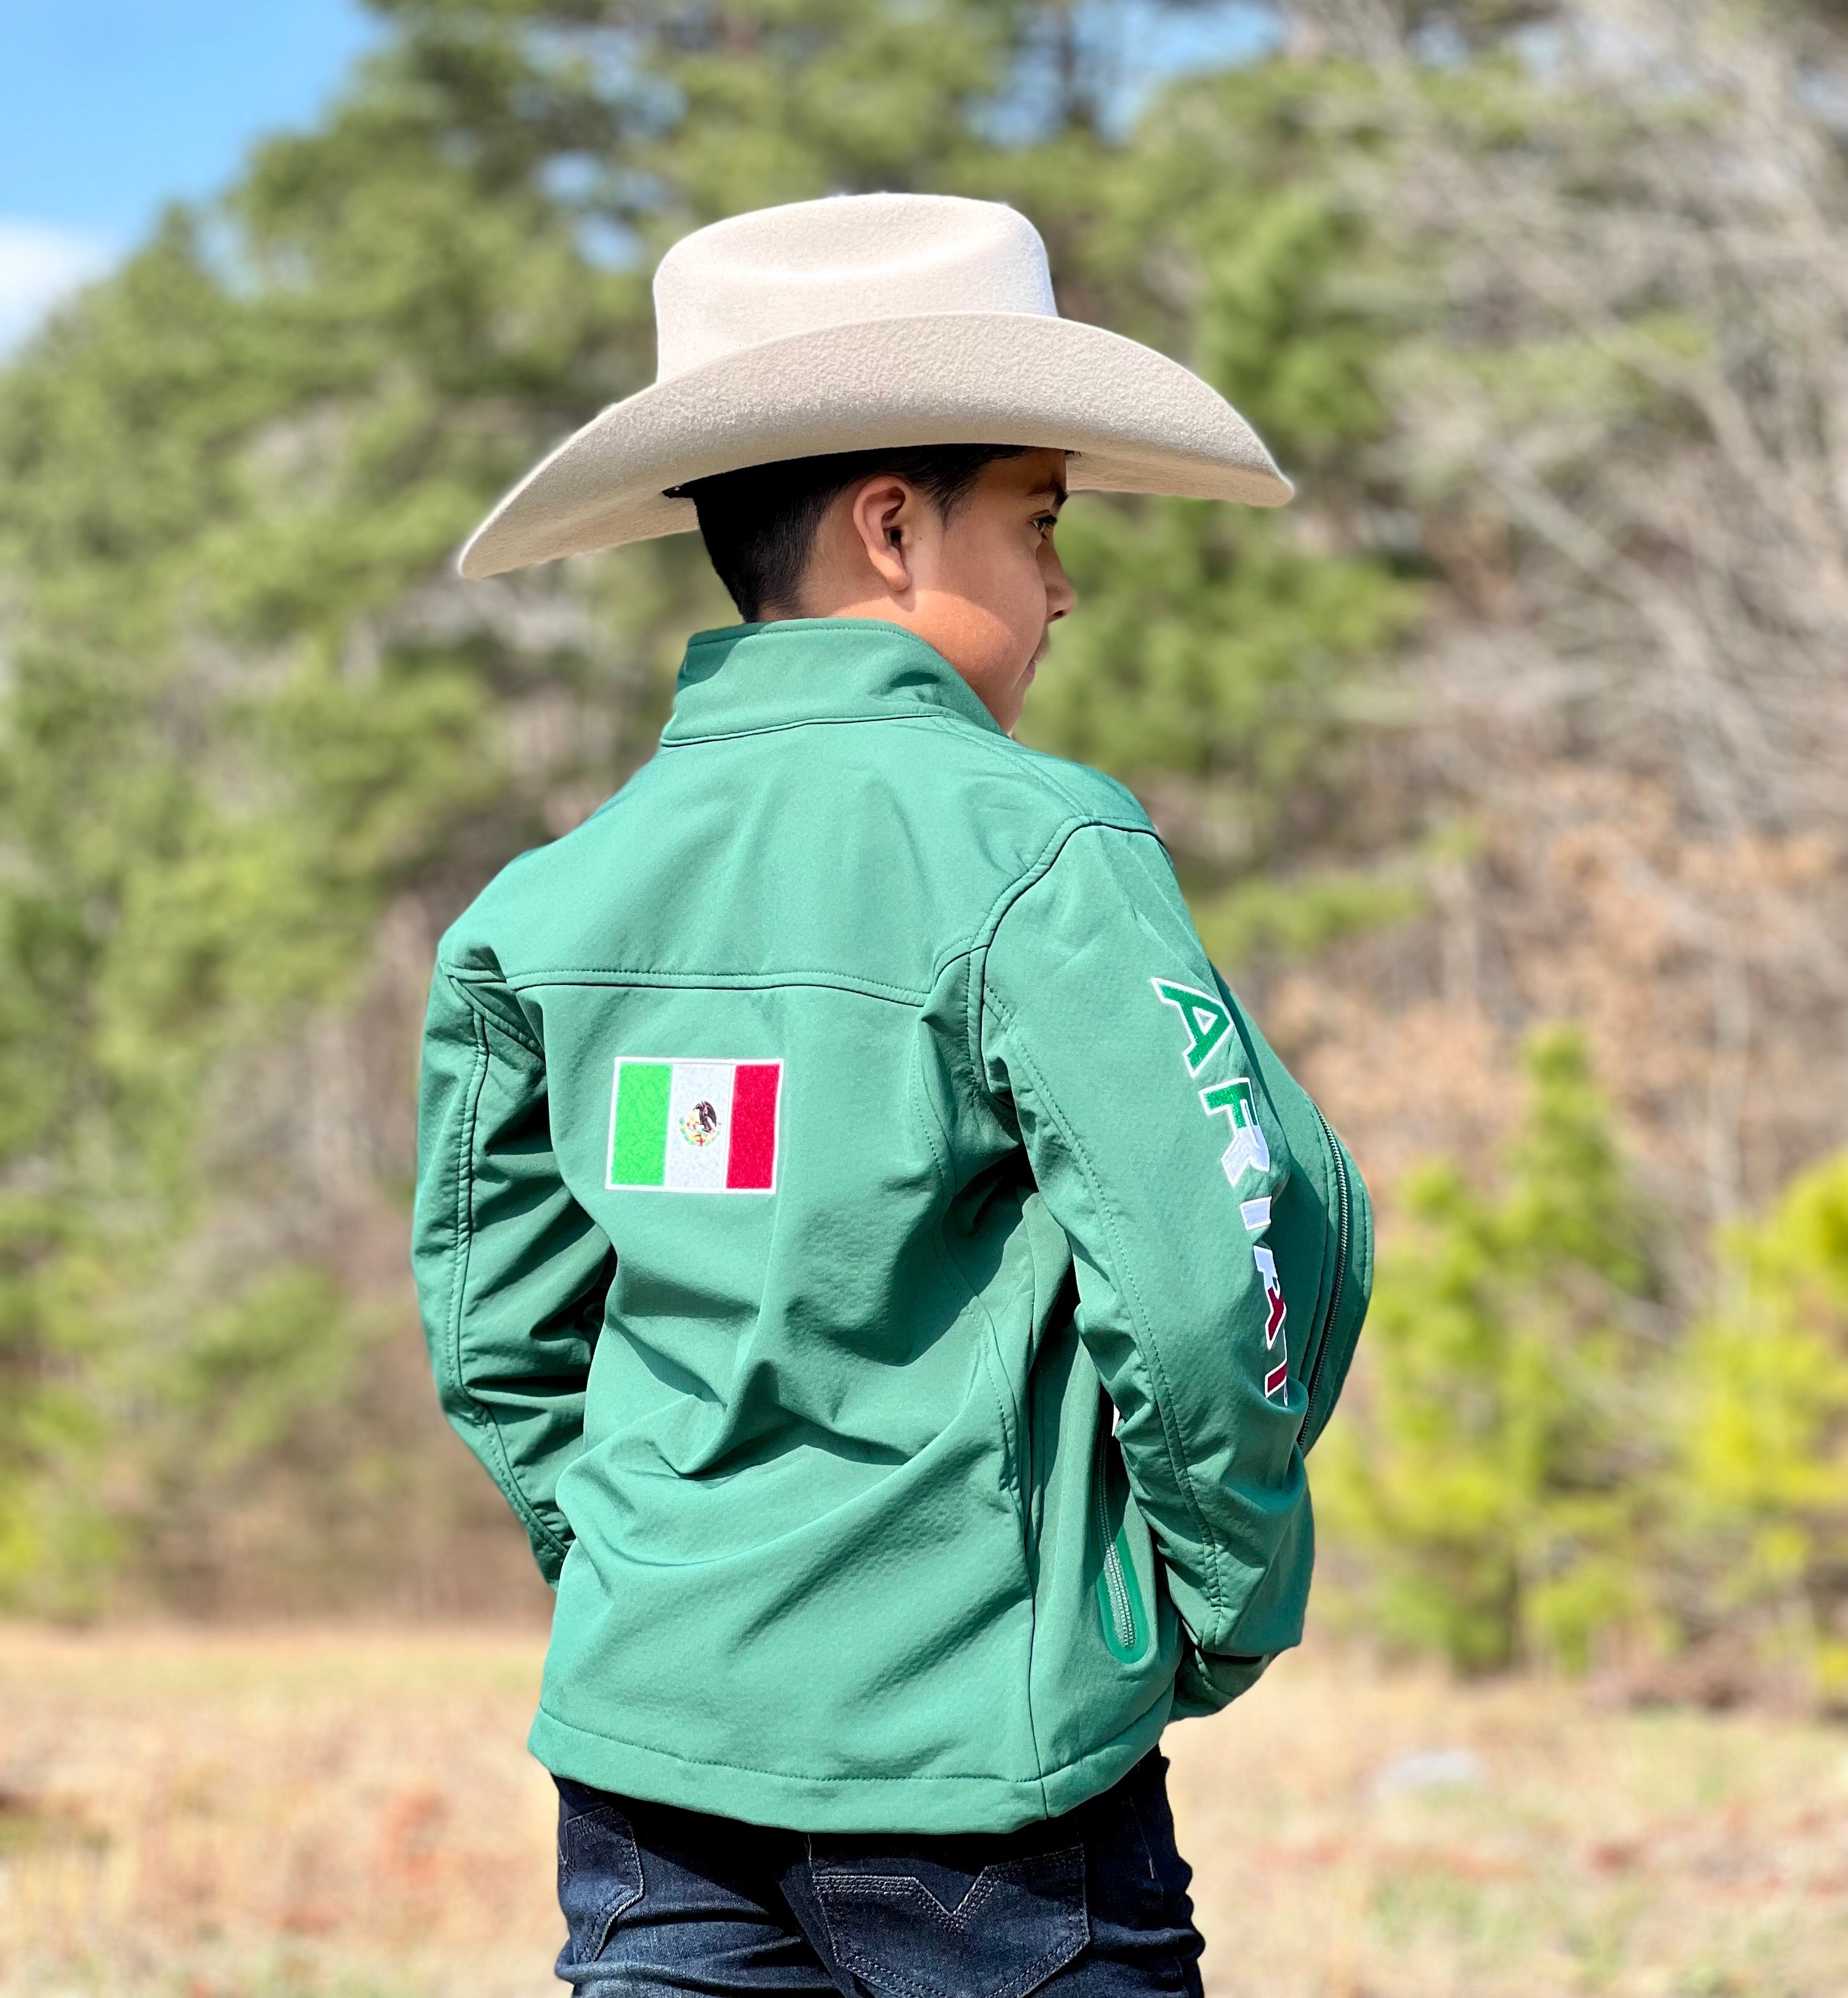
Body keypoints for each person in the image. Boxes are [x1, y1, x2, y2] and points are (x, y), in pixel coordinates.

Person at [413, 192, 1373, 1996]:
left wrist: (646, 1568)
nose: (1067, 582)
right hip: (983, 1782)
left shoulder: (539, 911)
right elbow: (1220, 1264)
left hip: (647, 1774)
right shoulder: (1041, 848)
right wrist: (1222, 1593)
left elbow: (497, 1337)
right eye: (1041, 518)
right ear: (890, 525)